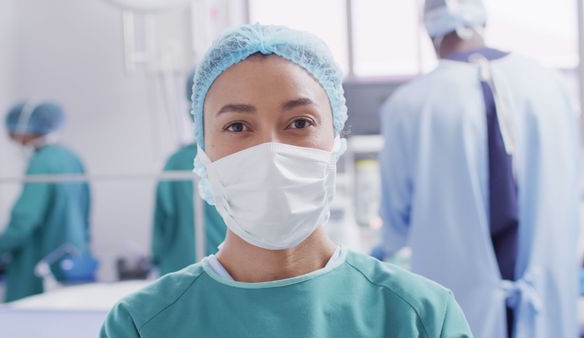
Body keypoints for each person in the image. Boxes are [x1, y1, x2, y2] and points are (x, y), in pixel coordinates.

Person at [100, 24, 472, 338]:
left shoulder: (419, 317)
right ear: (203, 152)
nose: (270, 152)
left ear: (336, 140)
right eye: (237, 126)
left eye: (299, 123)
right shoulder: (141, 324)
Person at [376, 0, 580, 337]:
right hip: (547, 303)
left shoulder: (409, 104)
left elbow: (395, 223)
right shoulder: (551, 86)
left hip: (459, 307)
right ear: (482, 18)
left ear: (430, 28)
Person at [0, 101, 92, 302]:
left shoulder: (41, 163)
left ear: (25, 128)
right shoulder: (71, 158)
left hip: (39, 263)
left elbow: (24, 222)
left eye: (13, 133)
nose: (13, 138)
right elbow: (85, 209)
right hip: (73, 258)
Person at [151, 71, 226, 275]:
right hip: (232, 271)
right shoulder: (238, 159)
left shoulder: (176, 163)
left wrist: (154, 257)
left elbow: (161, 223)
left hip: (182, 268)